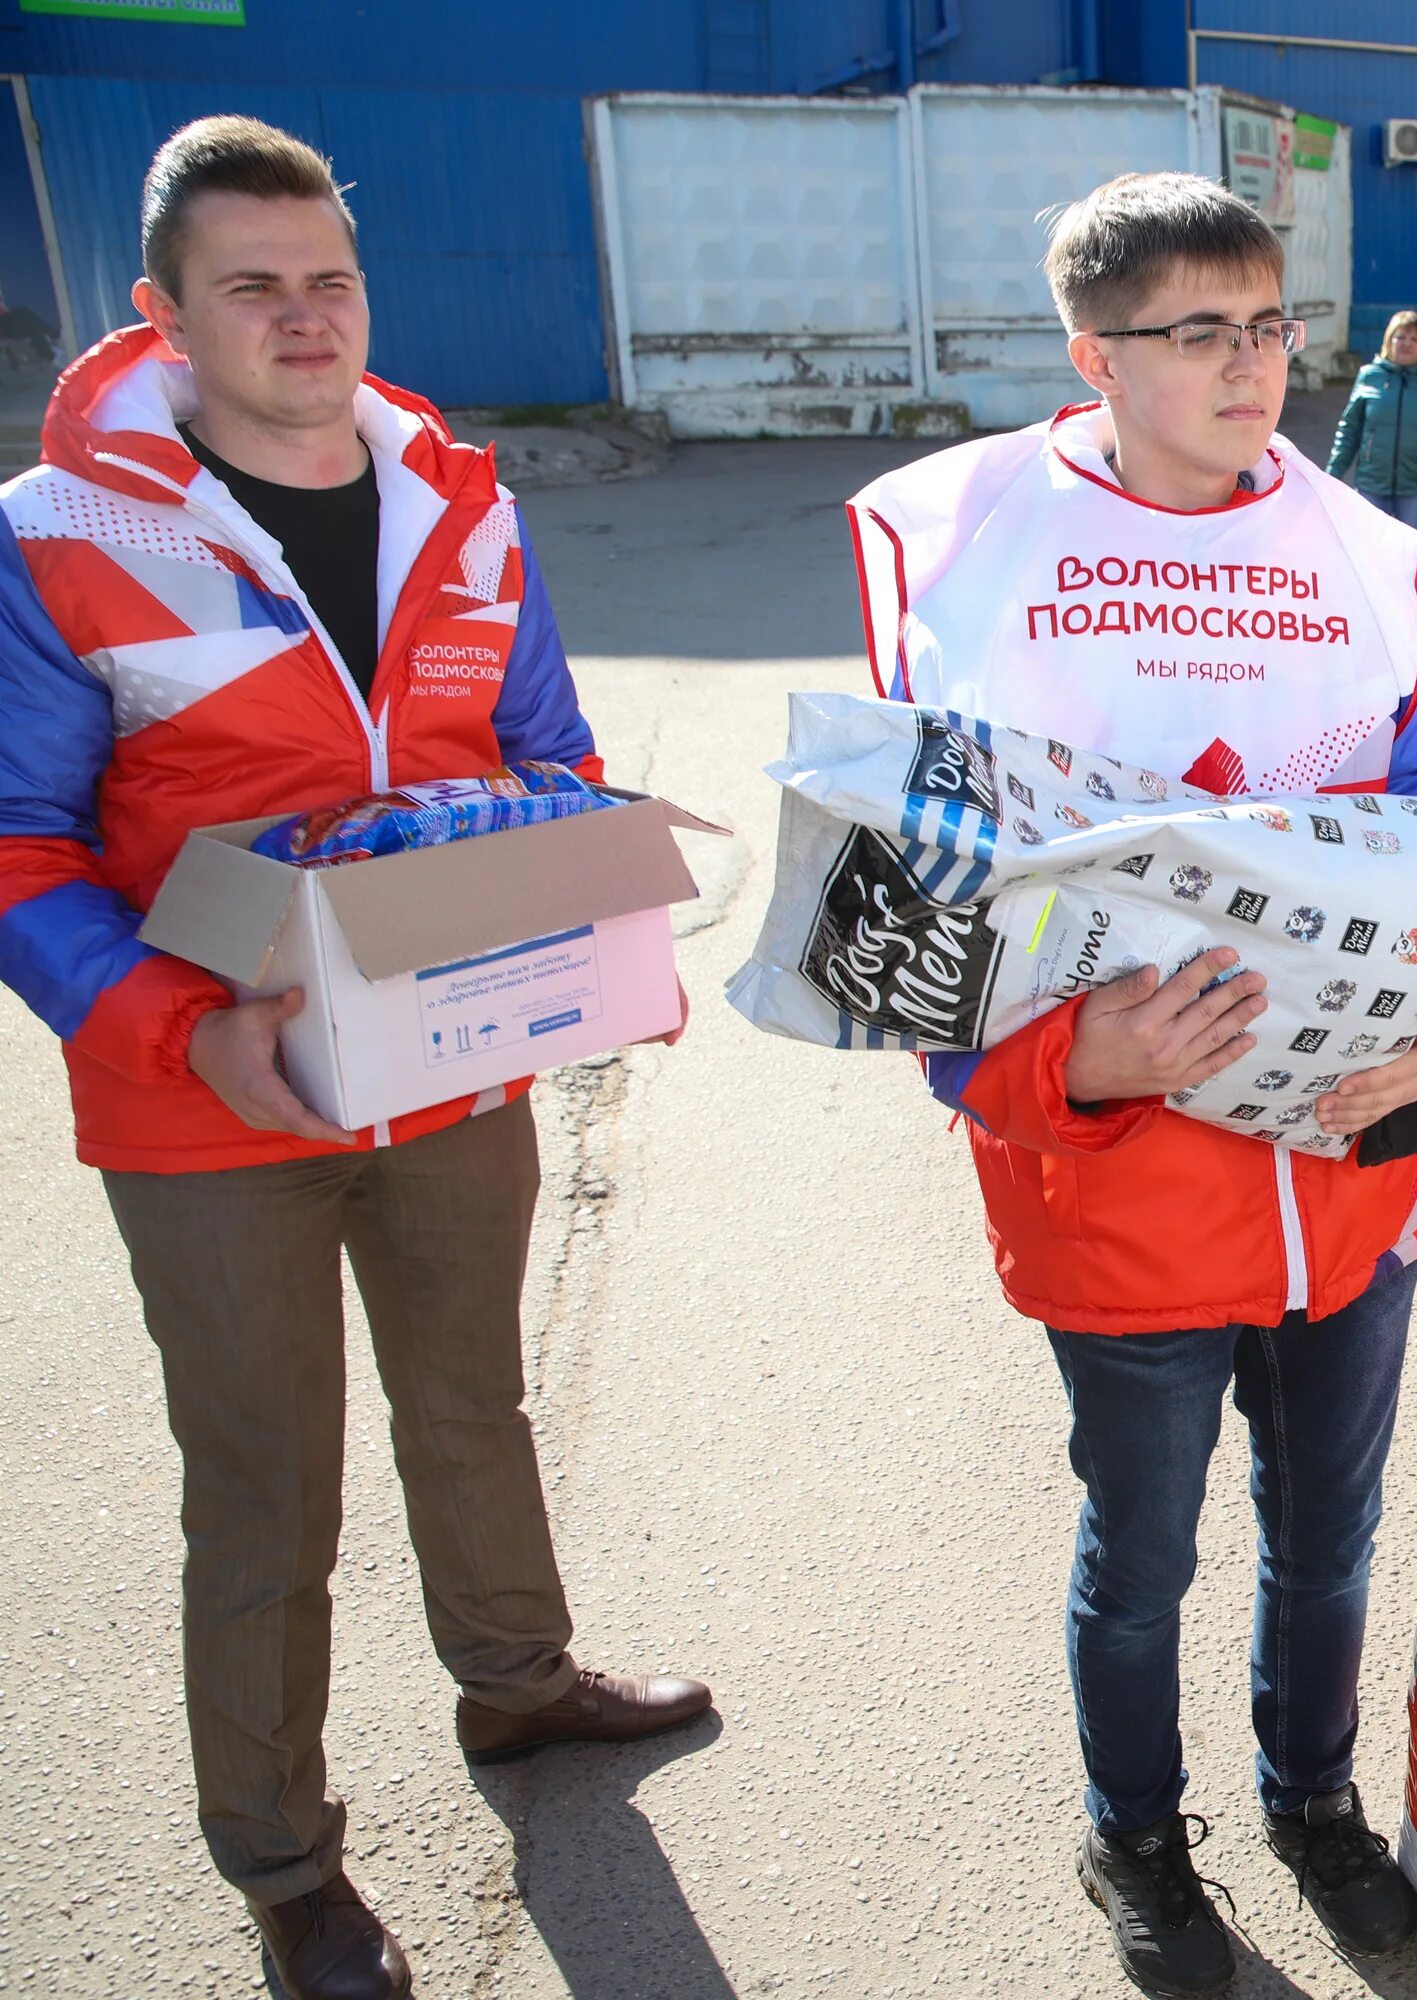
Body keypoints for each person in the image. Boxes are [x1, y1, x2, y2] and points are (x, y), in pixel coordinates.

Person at [0, 117, 710, 2000]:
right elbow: (18, 842)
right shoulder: (60, 532)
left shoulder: (460, 499)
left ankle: (520, 1684)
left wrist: (594, 941)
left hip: (455, 1066)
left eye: (330, 278)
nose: (304, 318)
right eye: (254, 285)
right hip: (205, 1100)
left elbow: (545, 754)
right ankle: (286, 1865)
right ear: (159, 309)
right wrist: (178, 1024)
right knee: (264, 1489)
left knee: (473, 1406)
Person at [842, 173, 1417, 1996]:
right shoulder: (962, 543)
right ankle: (1134, 1830)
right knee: (1141, 1558)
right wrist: (1076, 1059)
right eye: (1197, 332)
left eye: (1271, 323)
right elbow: (898, 929)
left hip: (1346, 1179)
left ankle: (1315, 1799)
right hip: (1121, 1191)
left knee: (1333, 1543)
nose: (1249, 365)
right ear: (1092, 353)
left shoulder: (1366, 554)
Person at [1325, 308, 1417, 537]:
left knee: (1407, 556)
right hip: (1372, 484)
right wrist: (1332, 475)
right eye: (1400, 337)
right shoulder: (1369, 376)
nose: (1407, 344)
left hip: (1415, 487)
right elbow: (1349, 430)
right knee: (1369, 552)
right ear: (1388, 340)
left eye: (1415, 339)